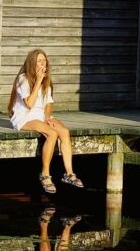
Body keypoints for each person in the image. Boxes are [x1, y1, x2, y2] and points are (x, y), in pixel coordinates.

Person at [7, 49, 84, 194]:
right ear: (32, 63)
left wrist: (47, 117)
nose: (43, 63)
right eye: (39, 61)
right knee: (52, 134)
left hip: (41, 115)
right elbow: (29, 103)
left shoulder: (46, 80)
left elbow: (48, 103)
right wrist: (38, 82)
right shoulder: (23, 79)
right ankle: (45, 175)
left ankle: (69, 174)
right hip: (25, 116)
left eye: (44, 60)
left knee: (64, 132)